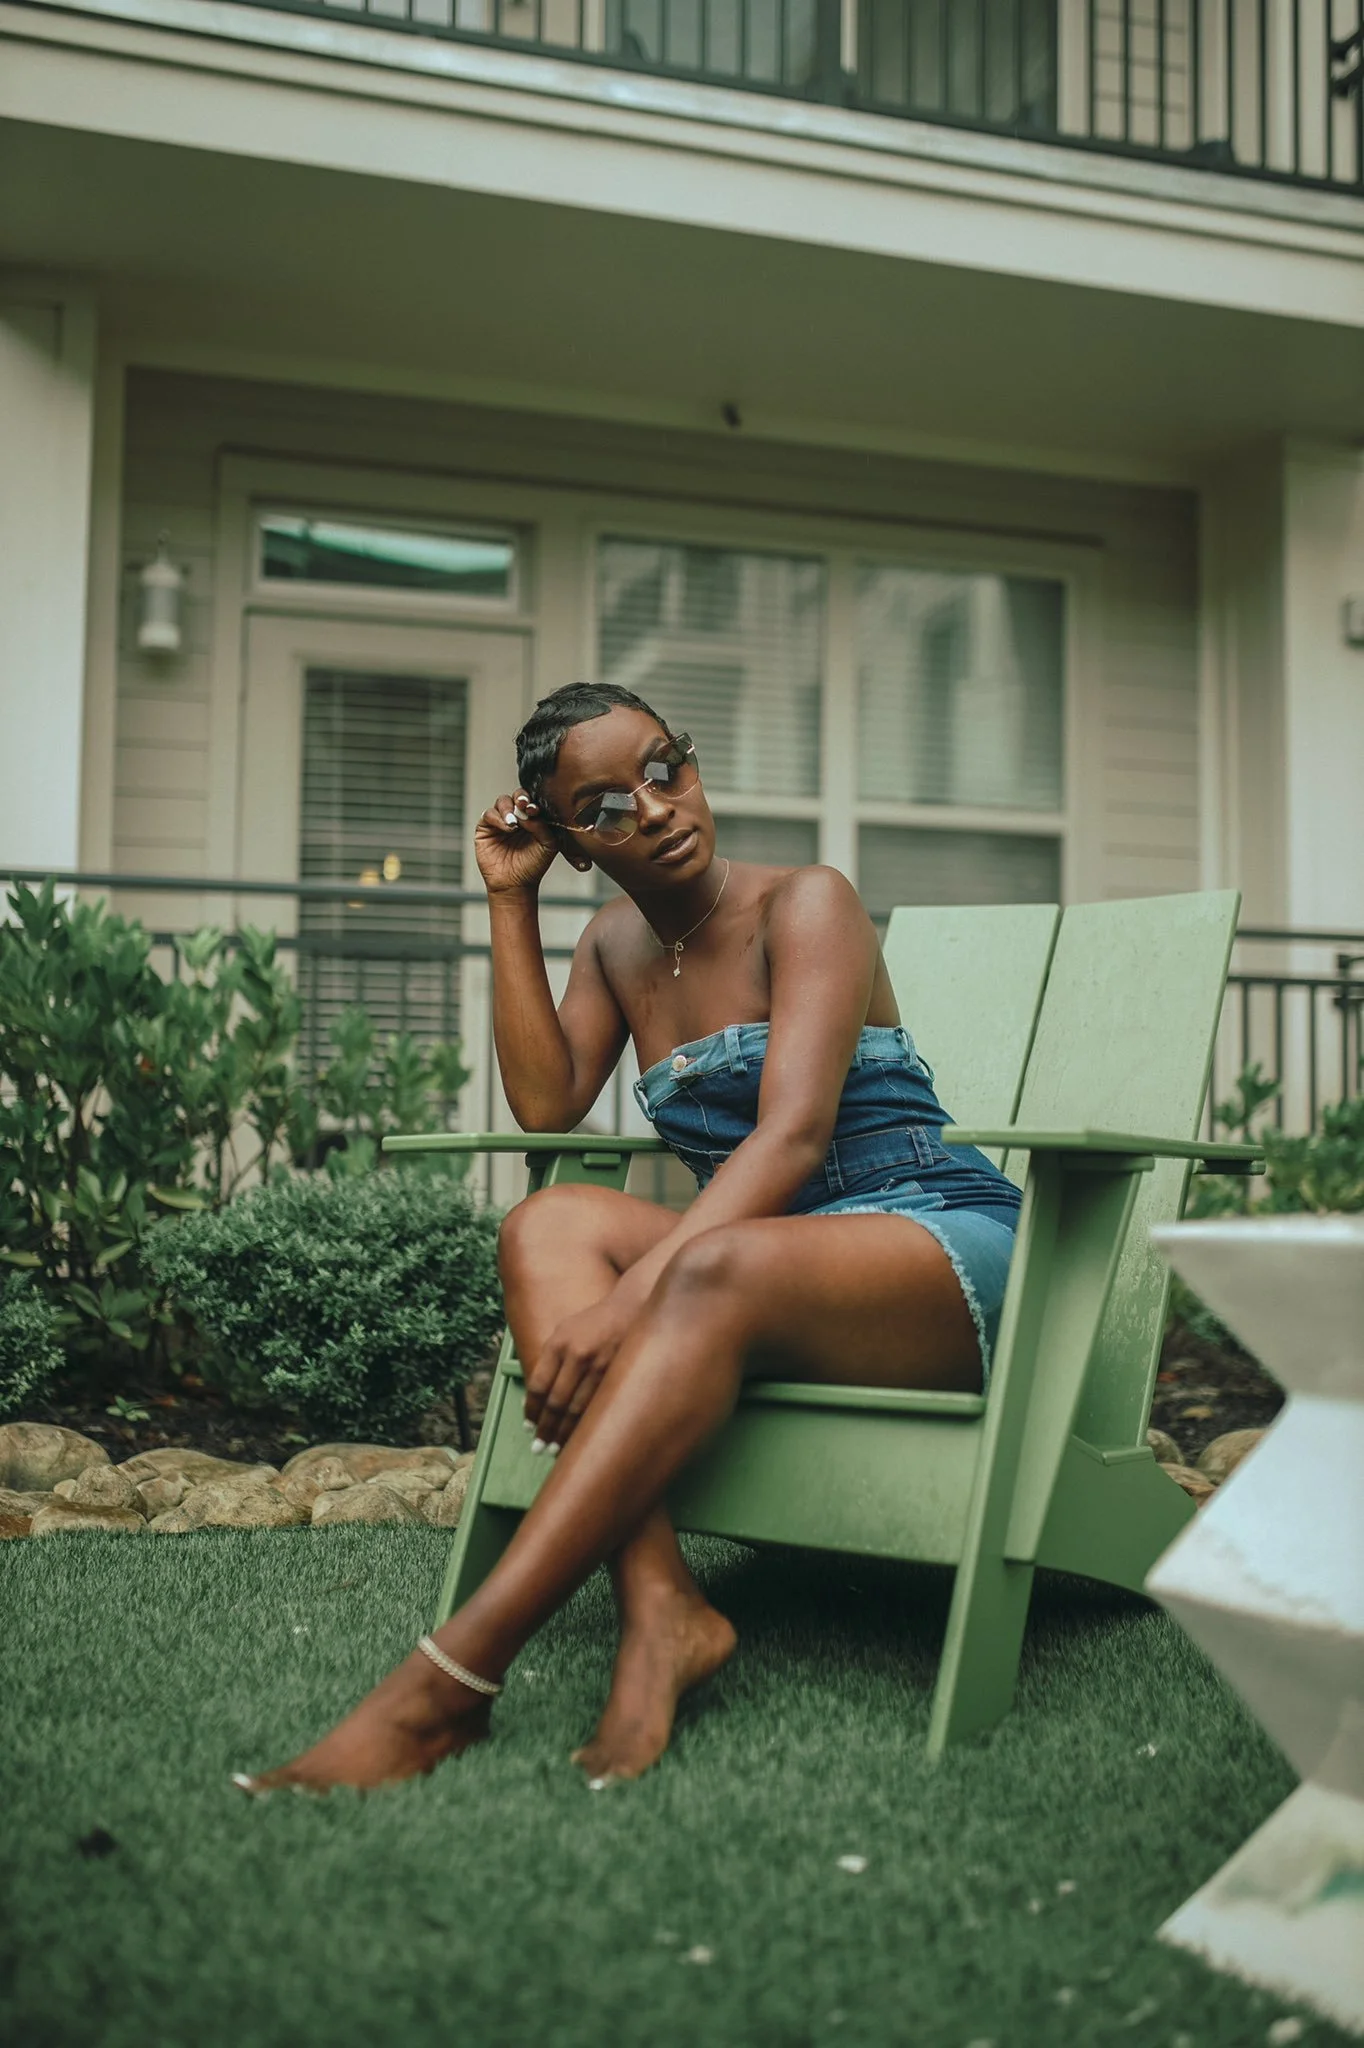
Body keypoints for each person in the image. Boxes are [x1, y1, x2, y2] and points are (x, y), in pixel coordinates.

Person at [234, 683, 1021, 1796]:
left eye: (664, 766)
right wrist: (511, 901)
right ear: (570, 844)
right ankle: (660, 1607)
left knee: (702, 1262)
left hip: (930, 1237)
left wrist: (631, 1297)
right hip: (754, 1262)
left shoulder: (808, 902)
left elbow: (791, 1140)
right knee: (545, 1221)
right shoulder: (611, 945)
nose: (652, 807)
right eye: (601, 808)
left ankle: (448, 1679)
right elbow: (548, 1106)